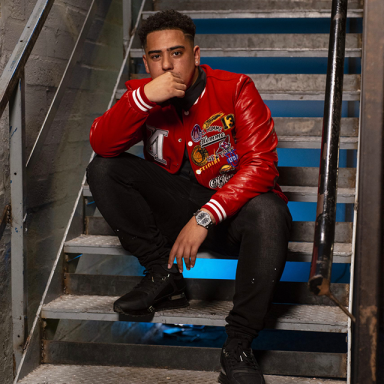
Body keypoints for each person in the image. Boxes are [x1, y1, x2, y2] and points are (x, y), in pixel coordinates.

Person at [86, 9, 292, 384]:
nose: (167, 65)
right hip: (174, 209)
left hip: (231, 212)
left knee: (270, 211)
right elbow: (101, 142)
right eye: (155, 56)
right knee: (102, 167)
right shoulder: (142, 95)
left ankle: (239, 345)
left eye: (176, 53)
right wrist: (145, 98)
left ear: (196, 55)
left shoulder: (235, 88)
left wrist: (205, 217)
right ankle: (163, 275)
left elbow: (262, 165)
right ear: (145, 60)